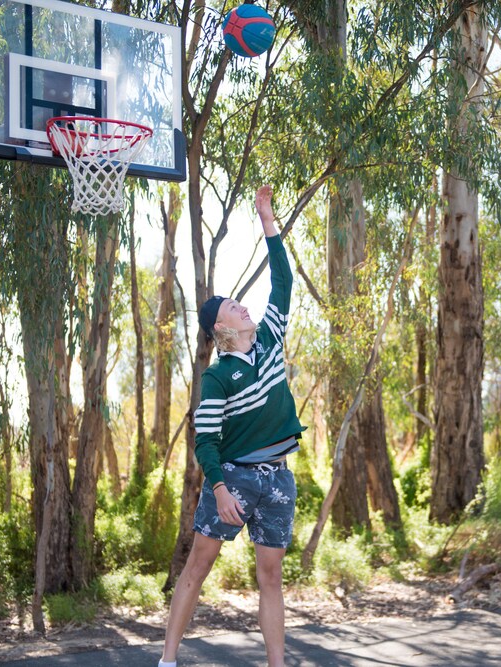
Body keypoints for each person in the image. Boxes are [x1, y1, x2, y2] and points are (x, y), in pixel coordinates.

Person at [159, 185, 304, 667]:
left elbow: (282, 279)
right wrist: (218, 488)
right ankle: (168, 658)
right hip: (235, 478)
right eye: (232, 307)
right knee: (198, 566)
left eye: (240, 303)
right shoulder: (218, 377)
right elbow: (205, 441)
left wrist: (268, 219)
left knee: (271, 578)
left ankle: (277, 665)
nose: (243, 306)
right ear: (222, 331)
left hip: (279, 478)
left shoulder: (269, 336)